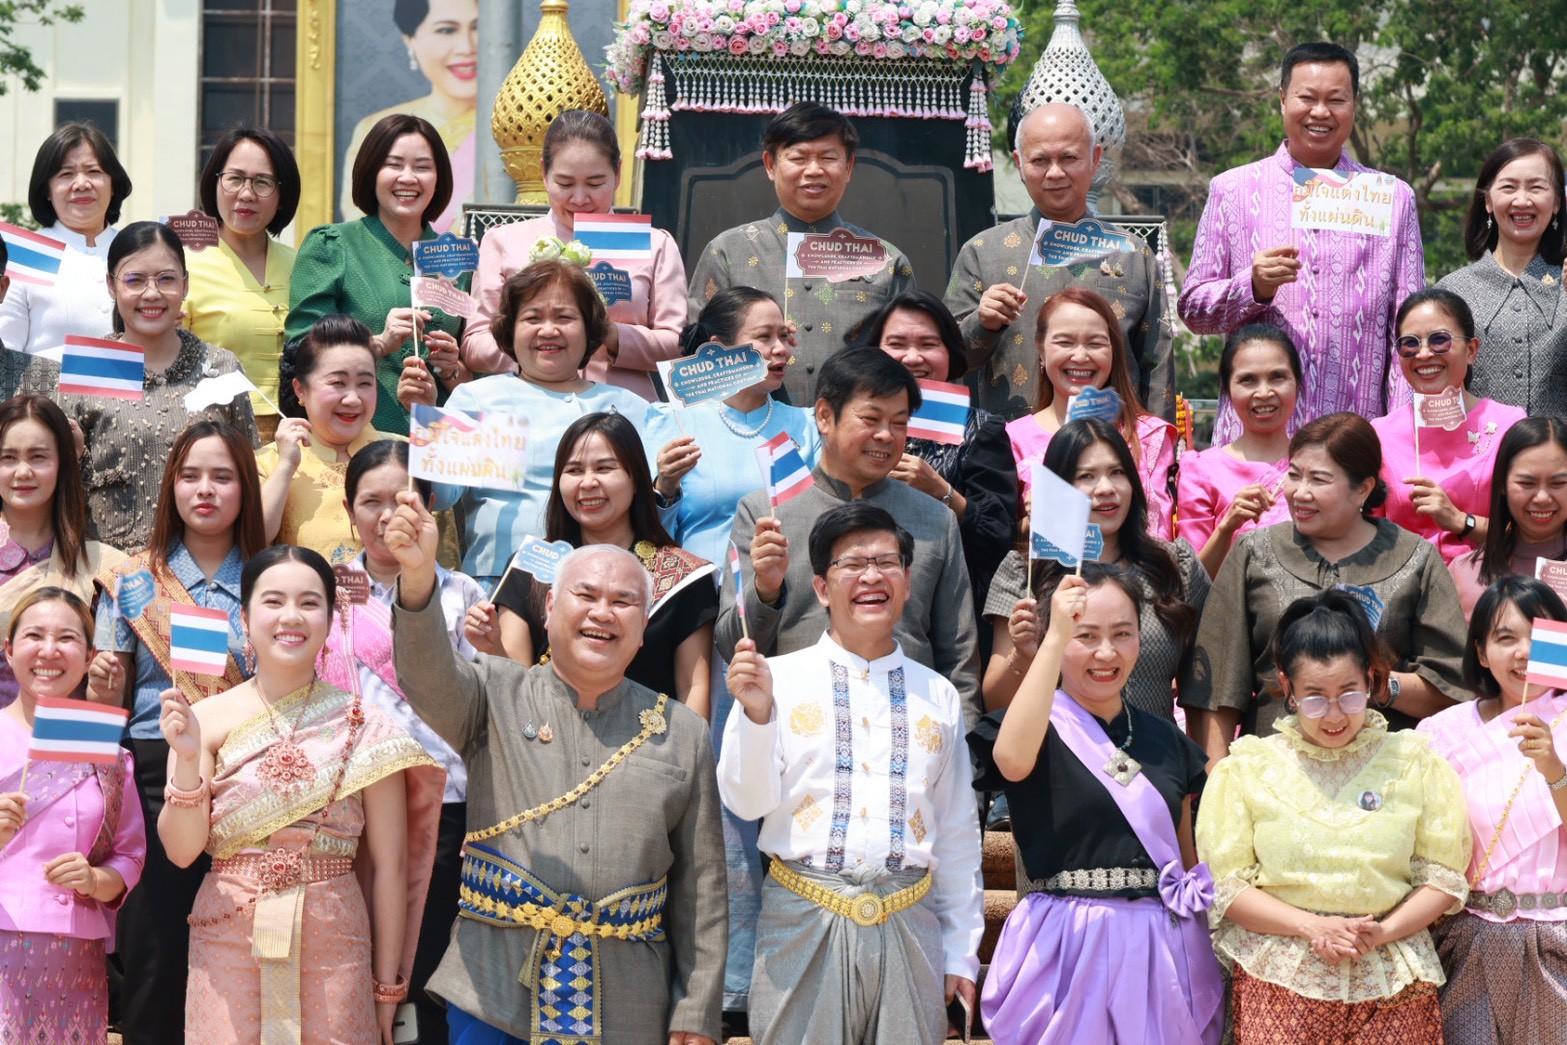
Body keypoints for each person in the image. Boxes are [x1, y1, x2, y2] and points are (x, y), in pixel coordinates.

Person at [386, 498, 726, 1044]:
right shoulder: (495, 692)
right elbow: (425, 675)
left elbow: (702, 887)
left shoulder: (680, 731)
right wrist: (419, 575)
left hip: (628, 1003)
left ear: (643, 627)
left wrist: (697, 1009)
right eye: (585, 595)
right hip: (493, 988)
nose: (602, 612)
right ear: (548, 608)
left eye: (623, 602)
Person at [717, 503, 983, 1045]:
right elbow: (746, 803)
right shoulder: (774, 680)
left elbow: (957, 831)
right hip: (801, 919)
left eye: (886, 562)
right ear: (821, 587)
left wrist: (962, 952)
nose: (871, 576)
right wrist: (757, 716)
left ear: (907, 582)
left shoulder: (938, 695)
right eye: (852, 564)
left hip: (910, 921)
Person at [156, 544, 442, 1043]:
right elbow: (182, 852)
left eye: (309, 603)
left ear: (330, 619)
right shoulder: (202, 721)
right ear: (245, 618)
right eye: (273, 601)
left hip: (335, 944)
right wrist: (184, 760)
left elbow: (391, 868)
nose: (291, 616)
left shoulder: (365, 726)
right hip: (228, 936)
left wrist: (386, 990)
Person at [1197, 590, 1471, 1043]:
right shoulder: (1247, 768)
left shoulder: (1415, 762)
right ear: (1287, 687)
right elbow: (1227, 886)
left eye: (1349, 694)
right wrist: (1311, 926)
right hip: (1280, 980)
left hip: (1391, 978)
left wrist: (1380, 932)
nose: (1333, 715)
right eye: (1315, 698)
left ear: (1371, 679)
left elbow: (1442, 877)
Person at [971, 568, 1222, 1044]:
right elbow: (1011, 762)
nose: (1106, 653)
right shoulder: (1030, 727)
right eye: (1085, 636)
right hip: (1064, 947)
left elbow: (1184, 862)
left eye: (1122, 634)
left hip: (1158, 954)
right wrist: (1051, 639)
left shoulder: (1168, 740)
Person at [88, 420, 266, 1044]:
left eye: (222, 476)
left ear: (246, 488)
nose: (204, 490)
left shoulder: (269, 579)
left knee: (240, 943)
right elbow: (106, 701)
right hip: (154, 776)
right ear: (170, 487)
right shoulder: (133, 580)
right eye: (190, 476)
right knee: (156, 950)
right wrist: (102, 686)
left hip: (247, 773)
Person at [1184, 412, 1469, 764]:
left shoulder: (1415, 559)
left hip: (1384, 774)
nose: (1300, 493)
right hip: (1275, 773)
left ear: (1363, 488)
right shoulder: (1254, 553)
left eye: (1319, 479)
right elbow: (1215, 687)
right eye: (1293, 475)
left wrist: (1374, 684)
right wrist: (1217, 780)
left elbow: (1453, 688)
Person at [717, 348, 980, 726]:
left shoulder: (935, 519)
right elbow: (732, 646)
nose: (886, 435)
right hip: (799, 733)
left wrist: (962, 747)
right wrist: (765, 590)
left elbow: (960, 658)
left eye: (899, 423)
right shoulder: (766, 515)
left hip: (910, 732)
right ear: (825, 416)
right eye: (871, 419)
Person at [322, 438, 486, 1045]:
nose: (388, 515)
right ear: (348, 511)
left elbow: (483, 705)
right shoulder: (323, 591)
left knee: (429, 965)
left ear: (431, 505)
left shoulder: (464, 595)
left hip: (441, 808)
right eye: (371, 502)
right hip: (346, 807)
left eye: (403, 500)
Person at [1178, 42, 1425, 443]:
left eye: (1336, 100)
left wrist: (1397, 439)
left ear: (1355, 105)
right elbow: (1193, 310)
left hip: (1353, 439)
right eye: (1307, 98)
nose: (1320, 112)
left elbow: (1408, 331)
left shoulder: (1392, 198)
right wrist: (1252, 287)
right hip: (1255, 442)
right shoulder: (1233, 190)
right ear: (1282, 99)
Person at [20, 221, 258, 551]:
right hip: (111, 570)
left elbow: (252, 473)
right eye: (135, 280)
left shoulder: (221, 368)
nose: (152, 293)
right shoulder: (86, 368)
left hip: (207, 567)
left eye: (166, 279)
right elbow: (56, 486)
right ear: (111, 285)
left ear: (185, 285)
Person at [428, 258, 648, 589]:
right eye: (532, 318)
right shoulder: (475, 399)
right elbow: (439, 497)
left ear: (589, 328)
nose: (548, 330)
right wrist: (425, 430)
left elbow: (655, 505)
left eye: (564, 317)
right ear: (510, 329)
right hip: (498, 581)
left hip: (601, 586)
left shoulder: (631, 407)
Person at [945, 103, 1172, 420]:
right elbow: (947, 361)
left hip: (1111, 440)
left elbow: (1158, 365)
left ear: (1094, 159)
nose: (1055, 173)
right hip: (1012, 441)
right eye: (1040, 160)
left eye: (1068, 158)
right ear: (1019, 164)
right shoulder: (983, 252)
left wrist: (1157, 446)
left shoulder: (1132, 254)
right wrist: (982, 324)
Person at [1419, 577, 1567, 1044]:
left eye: (1539, 637)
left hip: (1557, 941)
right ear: (1481, 652)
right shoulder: (1441, 733)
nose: (1523, 652)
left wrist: (1553, 768)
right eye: (1506, 638)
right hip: (1469, 937)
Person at [688, 102, 915, 405]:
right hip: (751, 424)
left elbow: (911, 359)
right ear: (770, 165)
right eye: (798, 158)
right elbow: (699, 354)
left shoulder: (886, 260)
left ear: (848, 167)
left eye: (828, 158)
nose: (814, 170)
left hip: (856, 425)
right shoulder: (727, 251)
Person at [493, 411, 718, 717]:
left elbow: (694, 688)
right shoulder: (530, 564)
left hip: (651, 744)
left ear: (636, 478)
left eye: (604, 468)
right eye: (574, 470)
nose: (588, 483)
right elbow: (513, 676)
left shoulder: (684, 577)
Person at [984, 420, 1206, 723]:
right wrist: (1023, 656)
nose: (1106, 489)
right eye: (1086, 476)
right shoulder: (1025, 572)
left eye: (1117, 472)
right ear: (1059, 487)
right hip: (1058, 750)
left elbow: (1204, 688)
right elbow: (996, 703)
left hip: (1154, 750)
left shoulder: (1174, 565)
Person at [0, 588, 145, 1042]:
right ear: (9, 650)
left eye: (66, 638)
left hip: (75, 956)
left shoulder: (107, 754)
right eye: (34, 636)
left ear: (89, 657)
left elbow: (130, 855)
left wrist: (93, 880)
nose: (49, 651)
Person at [462, 110, 685, 397]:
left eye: (595, 184)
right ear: (544, 174)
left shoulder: (654, 244)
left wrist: (610, 334)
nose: (580, 199)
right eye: (565, 184)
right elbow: (475, 346)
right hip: (528, 404)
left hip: (620, 409)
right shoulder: (504, 241)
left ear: (617, 174)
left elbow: (677, 345)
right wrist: (539, 346)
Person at [287, 113, 465, 437]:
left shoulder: (458, 260)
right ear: (371, 171)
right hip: (354, 440)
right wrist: (379, 343)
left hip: (437, 441)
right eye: (394, 165)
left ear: (439, 178)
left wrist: (453, 369)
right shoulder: (333, 245)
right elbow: (302, 350)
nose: (408, 178)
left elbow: (479, 370)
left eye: (422, 167)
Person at [865, 291, 1018, 636]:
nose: (912, 357)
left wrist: (941, 490)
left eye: (928, 344)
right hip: (865, 605)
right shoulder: (854, 424)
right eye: (897, 344)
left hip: (951, 616)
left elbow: (998, 535)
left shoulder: (982, 429)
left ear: (951, 352)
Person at [643, 287, 819, 568]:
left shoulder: (808, 426)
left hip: (783, 588)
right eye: (764, 336)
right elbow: (644, 539)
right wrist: (664, 489)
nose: (781, 350)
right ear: (718, 348)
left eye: (784, 336)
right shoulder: (669, 422)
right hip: (700, 590)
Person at [1007, 287, 1177, 539]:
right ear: (1041, 350)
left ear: (1113, 351)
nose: (1080, 356)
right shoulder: (1011, 439)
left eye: (1095, 343)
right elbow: (998, 537)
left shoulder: (1149, 436)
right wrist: (1035, 518)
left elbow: (1158, 536)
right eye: (1065, 342)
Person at [1371, 287, 1524, 564]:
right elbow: (1368, 531)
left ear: (1471, 350)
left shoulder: (1509, 425)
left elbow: (1532, 532)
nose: (1424, 354)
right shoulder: (1381, 433)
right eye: (1410, 344)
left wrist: (1460, 521)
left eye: (1439, 340)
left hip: (1486, 581)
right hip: (1407, 583)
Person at [0, 394, 125, 708]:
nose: (23, 471)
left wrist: (105, 687)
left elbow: (110, 697)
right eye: (8, 458)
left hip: (68, 735)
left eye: (38, 457)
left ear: (63, 462)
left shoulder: (105, 567)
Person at [185, 126, 302, 440]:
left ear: (282, 195)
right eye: (234, 178)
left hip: (297, 433)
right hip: (215, 432)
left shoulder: (302, 265)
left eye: (262, 182)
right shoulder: (183, 267)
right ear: (215, 183)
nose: (246, 194)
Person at [1437, 138, 1567, 416]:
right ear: (1487, 201)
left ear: (1556, 202)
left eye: (1536, 187)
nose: (1522, 200)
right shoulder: (1452, 291)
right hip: (1474, 444)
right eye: (1509, 187)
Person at [259, 314, 399, 564]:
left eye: (365, 383)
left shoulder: (405, 454)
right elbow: (252, 540)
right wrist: (285, 467)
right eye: (338, 383)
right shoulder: (268, 462)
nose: (353, 399)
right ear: (301, 389)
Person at [340, 0, 479, 233]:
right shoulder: (373, 128)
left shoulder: (517, 129)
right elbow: (360, 226)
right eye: (447, 30)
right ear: (410, 39)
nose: (467, 47)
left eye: (477, 28)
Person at [1176, 325, 1298, 578]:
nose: (1264, 393)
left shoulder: (1319, 464)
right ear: (1227, 390)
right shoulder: (1201, 471)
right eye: (1248, 380)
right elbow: (1191, 581)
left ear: (1297, 382)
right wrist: (1226, 528)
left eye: (1277, 377)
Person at [0, 122, 130, 355]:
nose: (81, 184)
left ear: (113, 184)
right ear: (47, 190)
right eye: (66, 174)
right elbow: (5, 354)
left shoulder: (136, 249)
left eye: (94, 171)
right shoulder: (23, 255)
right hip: (41, 380)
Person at [1450, 417, 1567, 616]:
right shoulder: (1464, 573)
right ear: (1502, 484)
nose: (1542, 498)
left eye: (1558, 483)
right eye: (1527, 483)